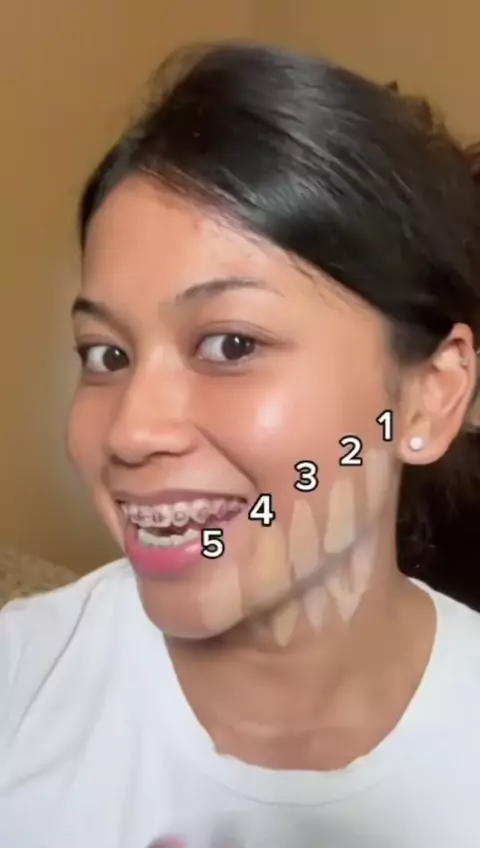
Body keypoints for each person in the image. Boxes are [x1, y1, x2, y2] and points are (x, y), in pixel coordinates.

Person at [1, 41, 480, 848]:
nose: (130, 432)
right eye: (105, 355)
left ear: (428, 397)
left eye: (230, 344)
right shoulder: (22, 681)